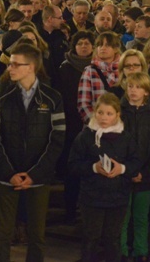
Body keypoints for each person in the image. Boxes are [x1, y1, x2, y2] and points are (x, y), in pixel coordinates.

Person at [0, 42, 65, 262]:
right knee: (2, 236)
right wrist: (9, 172)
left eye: (14, 64)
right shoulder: (2, 97)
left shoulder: (52, 98)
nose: (9, 68)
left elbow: (56, 140)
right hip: (6, 177)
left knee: (37, 236)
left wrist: (35, 174)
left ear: (30, 67)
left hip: (38, 179)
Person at [68, 93, 141, 262]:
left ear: (117, 115)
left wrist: (122, 168)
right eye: (100, 113)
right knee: (90, 238)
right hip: (92, 197)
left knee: (113, 240)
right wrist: (94, 167)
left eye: (109, 113)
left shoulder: (126, 138)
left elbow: (136, 161)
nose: (104, 117)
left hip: (118, 197)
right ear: (94, 112)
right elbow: (73, 164)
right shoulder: (86, 137)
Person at [120, 72, 150, 262]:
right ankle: (121, 250)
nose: (133, 91)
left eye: (138, 87)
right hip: (122, 174)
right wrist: (126, 170)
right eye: (130, 86)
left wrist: (144, 172)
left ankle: (141, 250)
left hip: (145, 177)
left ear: (146, 91)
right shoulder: (119, 113)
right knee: (122, 217)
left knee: (141, 217)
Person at [57, 31, 96, 220]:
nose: (84, 46)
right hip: (71, 124)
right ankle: (70, 208)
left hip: (93, 124)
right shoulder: (65, 67)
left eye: (87, 43)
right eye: (80, 43)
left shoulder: (98, 67)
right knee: (72, 168)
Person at [78, 32, 121, 122]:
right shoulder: (90, 70)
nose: (102, 48)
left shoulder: (123, 69)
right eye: (100, 45)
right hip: (97, 126)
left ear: (116, 49)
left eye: (107, 45)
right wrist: (97, 123)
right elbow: (83, 104)